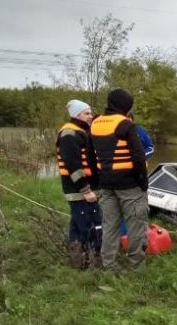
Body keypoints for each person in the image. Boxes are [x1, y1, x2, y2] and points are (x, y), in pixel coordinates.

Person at [90, 88, 149, 271]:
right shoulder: (126, 125)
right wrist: (143, 183)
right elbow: (138, 157)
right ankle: (136, 266)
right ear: (125, 106)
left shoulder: (95, 123)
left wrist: (97, 181)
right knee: (136, 226)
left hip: (106, 185)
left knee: (110, 226)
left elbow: (91, 156)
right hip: (129, 185)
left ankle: (109, 265)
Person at [57, 99, 101, 268]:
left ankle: (78, 261)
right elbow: (73, 165)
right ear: (76, 115)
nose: (90, 116)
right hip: (79, 190)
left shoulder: (82, 131)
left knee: (77, 224)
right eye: (86, 113)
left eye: (90, 113)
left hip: (85, 189)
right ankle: (90, 261)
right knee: (88, 225)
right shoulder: (69, 133)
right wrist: (86, 189)